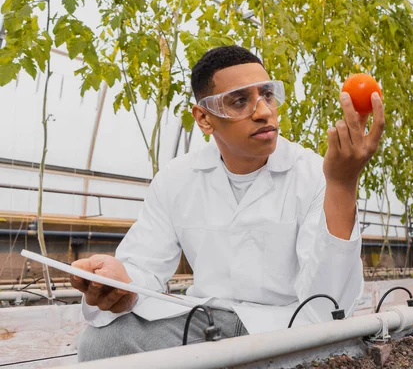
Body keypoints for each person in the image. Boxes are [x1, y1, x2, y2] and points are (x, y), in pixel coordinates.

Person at [70, 45, 385, 361]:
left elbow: (328, 305)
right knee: (100, 345)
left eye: (267, 95)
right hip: (206, 323)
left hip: (285, 330)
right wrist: (122, 286)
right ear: (204, 119)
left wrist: (342, 186)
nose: (263, 112)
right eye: (239, 100)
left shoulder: (314, 174)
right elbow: (142, 265)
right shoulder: (177, 178)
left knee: (320, 350)